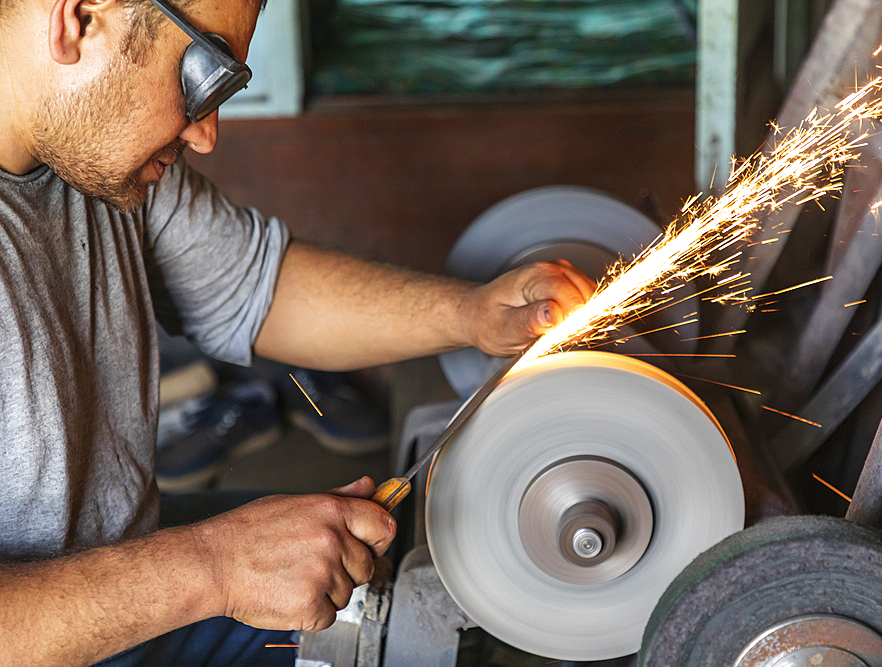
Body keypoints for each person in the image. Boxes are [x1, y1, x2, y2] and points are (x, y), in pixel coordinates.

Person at [0, 0, 596, 664]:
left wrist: (474, 315)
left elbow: (257, 288)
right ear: (77, 18)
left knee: (403, 567)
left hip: (120, 582)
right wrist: (215, 566)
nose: (206, 134)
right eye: (203, 75)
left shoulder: (100, 156)